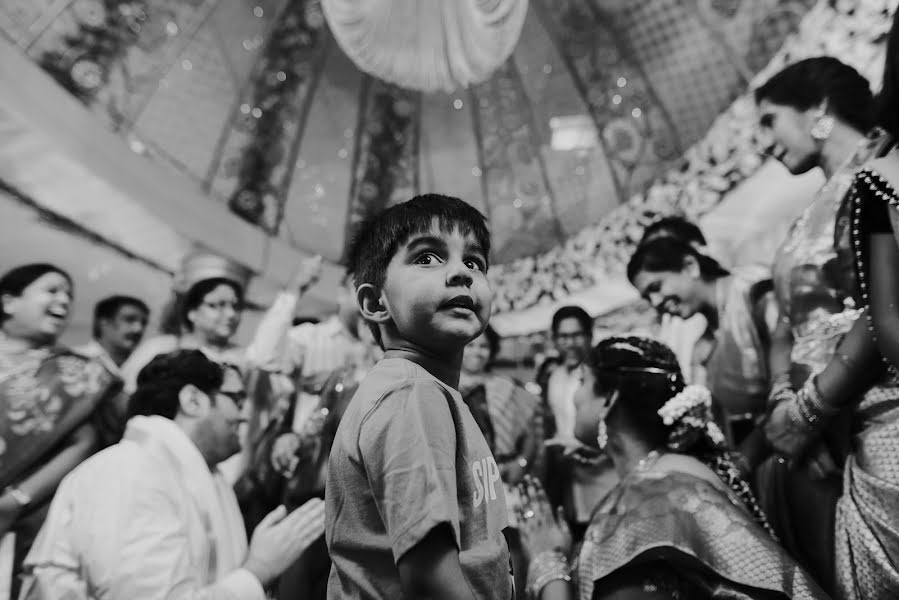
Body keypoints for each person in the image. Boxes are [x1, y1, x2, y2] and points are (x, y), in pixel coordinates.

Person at [516, 336, 828, 600]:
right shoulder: (675, 474)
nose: (575, 395)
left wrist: (548, 563)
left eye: (583, 382)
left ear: (608, 400)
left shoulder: (649, 501)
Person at [752, 56, 897, 594]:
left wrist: (812, 408)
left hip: (874, 415)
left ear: (818, 110)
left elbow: (884, 310)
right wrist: (782, 398)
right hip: (822, 428)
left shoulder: (883, 169)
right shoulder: (821, 200)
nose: (763, 141)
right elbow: (789, 323)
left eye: (769, 119)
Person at [20, 349, 326, 599]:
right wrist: (258, 570)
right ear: (193, 400)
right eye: (235, 400)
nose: (245, 415)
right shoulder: (132, 473)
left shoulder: (192, 474)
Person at [325, 194, 512, 600]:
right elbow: (431, 581)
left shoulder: (425, 390)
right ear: (376, 302)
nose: (461, 273)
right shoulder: (411, 393)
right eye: (428, 257)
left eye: (474, 262)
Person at [0, 263, 120, 598]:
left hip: (18, 519)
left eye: (69, 294)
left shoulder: (76, 373)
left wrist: (14, 502)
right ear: (8, 302)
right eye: (52, 290)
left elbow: (85, 441)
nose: (64, 300)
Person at [627, 236, 776, 456]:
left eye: (656, 287)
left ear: (690, 266)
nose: (656, 302)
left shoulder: (752, 291)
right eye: (648, 297)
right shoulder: (703, 347)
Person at [460, 324, 541, 596]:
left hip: (506, 478)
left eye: (484, 346)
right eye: (471, 345)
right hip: (466, 483)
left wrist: (520, 464)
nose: (477, 352)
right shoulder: (446, 388)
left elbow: (531, 429)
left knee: (513, 542)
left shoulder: (505, 387)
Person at [79, 295, 150, 378]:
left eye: (144, 323)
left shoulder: (146, 366)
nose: (138, 329)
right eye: (129, 320)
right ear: (104, 322)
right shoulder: (77, 361)